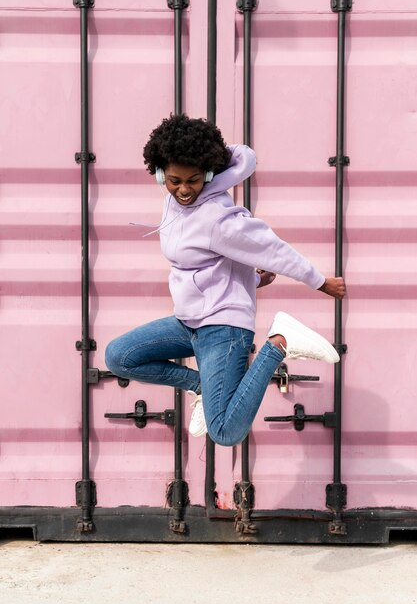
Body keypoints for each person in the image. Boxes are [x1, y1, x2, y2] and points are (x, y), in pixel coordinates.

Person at [105, 114, 346, 447]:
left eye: (194, 180)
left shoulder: (217, 217)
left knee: (225, 432)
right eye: (175, 180)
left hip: (223, 327)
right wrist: (252, 279)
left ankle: (280, 342)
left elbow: (271, 248)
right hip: (190, 321)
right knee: (119, 356)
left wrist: (319, 281)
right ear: (160, 174)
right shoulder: (172, 203)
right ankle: (201, 385)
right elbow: (205, 265)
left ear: (208, 173)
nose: (185, 189)